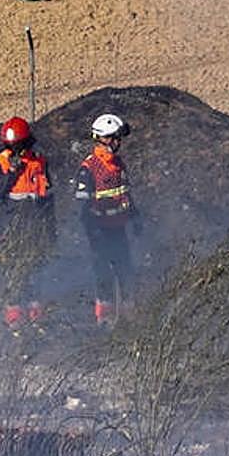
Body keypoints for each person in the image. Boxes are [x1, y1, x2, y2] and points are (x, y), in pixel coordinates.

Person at [0, 116, 54, 329]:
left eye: (17, 146)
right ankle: (15, 323)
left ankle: (37, 322)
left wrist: (51, 229)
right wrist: (11, 174)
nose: (14, 151)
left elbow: (48, 197)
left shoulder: (40, 161)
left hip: (37, 226)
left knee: (37, 273)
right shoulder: (1, 162)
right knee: (15, 275)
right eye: (10, 146)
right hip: (12, 229)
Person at [74, 113, 142, 325]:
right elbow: (82, 204)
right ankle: (104, 319)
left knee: (125, 270)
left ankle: (129, 317)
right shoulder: (89, 167)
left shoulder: (119, 164)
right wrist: (91, 229)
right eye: (113, 138)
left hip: (118, 228)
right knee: (103, 273)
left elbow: (125, 193)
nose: (117, 142)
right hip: (99, 230)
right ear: (102, 139)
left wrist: (135, 217)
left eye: (118, 138)